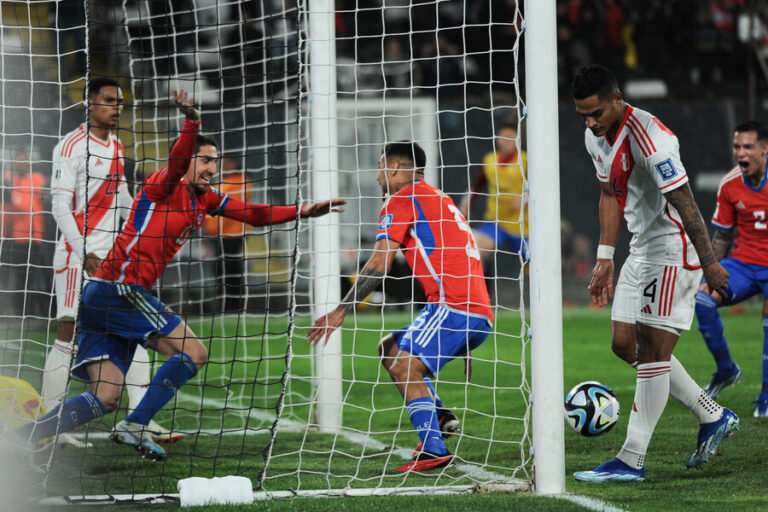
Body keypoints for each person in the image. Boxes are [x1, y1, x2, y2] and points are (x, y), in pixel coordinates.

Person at [15, 89, 346, 461]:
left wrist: (303, 211)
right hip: (118, 290)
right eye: (205, 161)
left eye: (215, 162)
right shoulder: (163, 184)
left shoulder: (205, 198)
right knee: (194, 352)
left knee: (104, 397)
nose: (212, 169)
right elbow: (174, 163)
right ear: (188, 160)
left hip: (103, 296)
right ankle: (136, 425)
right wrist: (191, 122)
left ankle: (20, 438)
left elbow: (253, 214)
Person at [570, 65, 738, 483]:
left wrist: (710, 262)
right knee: (624, 344)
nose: (589, 123)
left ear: (617, 100)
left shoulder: (649, 138)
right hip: (641, 248)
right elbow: (608, 193)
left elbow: (685, 201)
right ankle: (712, 415)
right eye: (583, 116)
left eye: (595, 113)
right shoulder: (595, 137)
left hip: (672, 250)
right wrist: (605, 256)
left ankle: (631, 460)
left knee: (651, 350)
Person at [307, 142, 492, 472]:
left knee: (405, 368)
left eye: (380, 169)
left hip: (453, 307)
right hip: (470, 308)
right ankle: (438, 415)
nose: (378, 177)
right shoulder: (439, 198)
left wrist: (340, 310)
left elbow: (380, 264)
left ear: (393, 167)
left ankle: (433, 450)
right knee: (389, 348)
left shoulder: (402, 199)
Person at [47, 78, 177, 448]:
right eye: (108, 100)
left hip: (113, 260)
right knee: (68, 334)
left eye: (119, 102)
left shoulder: (117, 146)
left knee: (133, 331)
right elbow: (59, 206)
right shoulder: (71, 145)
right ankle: (51, 428)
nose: (116, 108)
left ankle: (140, 419)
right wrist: (83, 250)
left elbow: (122, 197)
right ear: (90, 104)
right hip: (76, 258)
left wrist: (145, 231)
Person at [695, 120, 768, 417]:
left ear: (764, 149)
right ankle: (726, 370)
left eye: (748, 146)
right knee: (703, 300)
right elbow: (723, 236)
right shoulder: (729, 184)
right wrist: (710, 273)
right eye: (737, 146)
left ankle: (766, 396)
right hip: (744, 264)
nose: (741, 153)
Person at [459, 121, 528, 263]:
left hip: (523, 225)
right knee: (476, 251)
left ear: (517, 139)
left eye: (510, 137)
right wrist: (465, 205)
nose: (506, 141)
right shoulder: (489, 160)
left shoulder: (525, 160)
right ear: (497, 140)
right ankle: (476, 278)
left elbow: (540, 185)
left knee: (531, 264)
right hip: (496, 221)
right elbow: (476, 186)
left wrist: (526, 197)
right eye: (503, 137)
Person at [0, 150, 47, 317]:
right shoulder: (6, 178)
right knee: (5, 275)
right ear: (13, 163)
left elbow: (27, 206)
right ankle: (5, 310)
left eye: (24, 161)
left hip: (30, 236)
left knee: (26, 276)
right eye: (18, 161)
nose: (22, 164)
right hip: (8, 236)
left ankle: (23, 311)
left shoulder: (36, 179)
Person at [202, 156, 250, 312]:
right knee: (222, 270)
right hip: (220, 235)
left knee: (230, 269)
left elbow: (227, 211)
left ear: (235, 163)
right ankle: (227, 304)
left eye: (227, 162)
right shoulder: (225, 183)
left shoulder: (240, 182)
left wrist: (211, 230)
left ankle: (233, 305)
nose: (224, 166)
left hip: (232, 235)